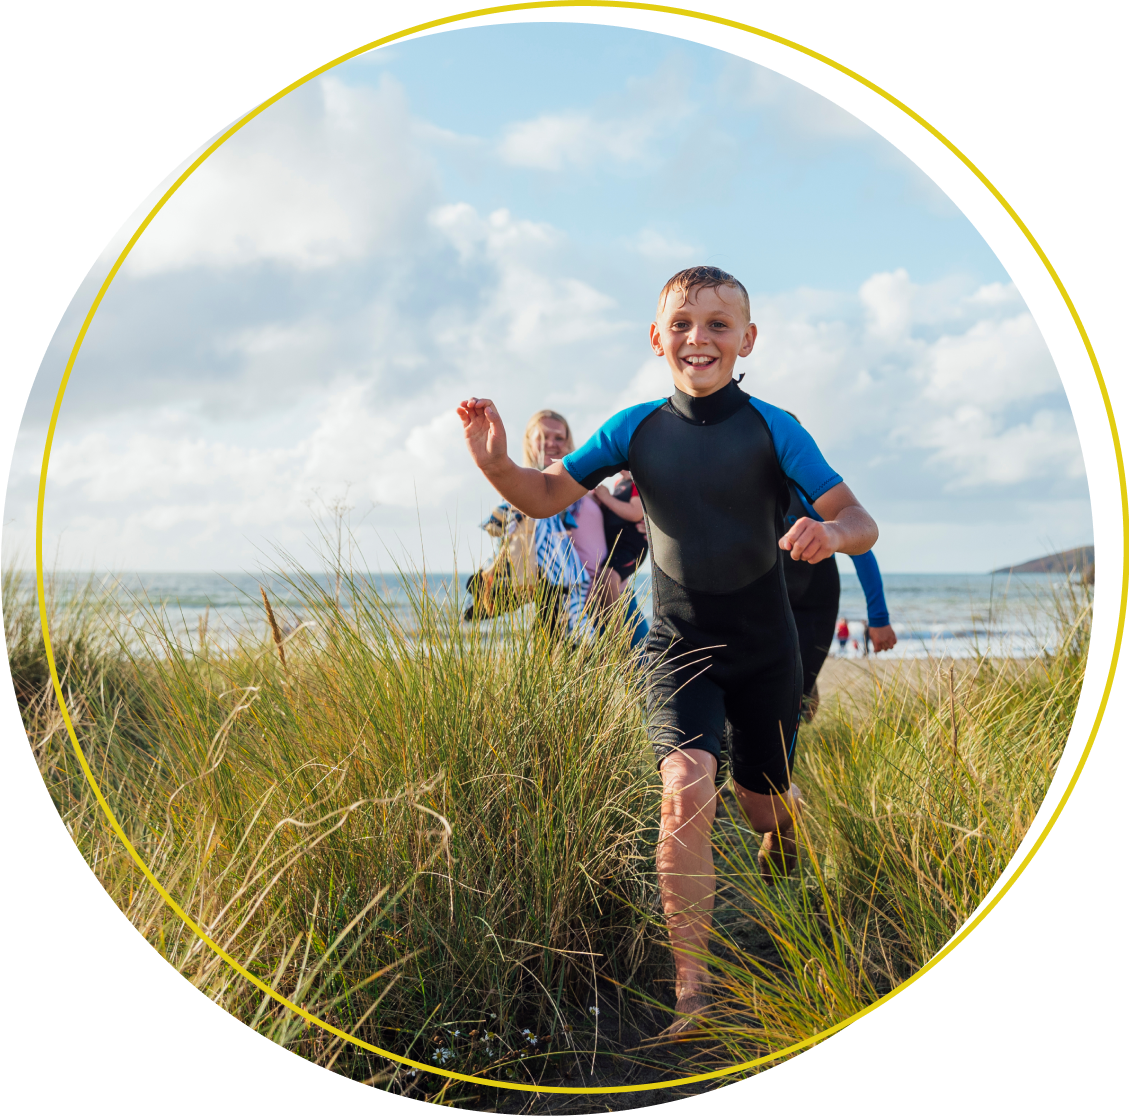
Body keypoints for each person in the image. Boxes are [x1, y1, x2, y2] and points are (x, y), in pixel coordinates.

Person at [457, 265, 879, 1037]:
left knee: (763, 807)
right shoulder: (634, 428)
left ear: (746, 340)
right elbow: (548, 495)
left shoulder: (773, 428)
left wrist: (830, 534)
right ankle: (694, 989)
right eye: (682, 323)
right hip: (678, 644)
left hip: (764, 650)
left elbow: (858, 518)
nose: (699, 337)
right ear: (657, 338)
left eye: (719, 324)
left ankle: (784, 840)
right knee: (685, 786)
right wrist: (495, 465)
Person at [780, 473, 897, 719]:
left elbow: (861, 551)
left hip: (814, 605)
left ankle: (806, 686)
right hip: (768, 605)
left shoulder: (806, 490)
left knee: (793, 700)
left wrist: (878, 618)